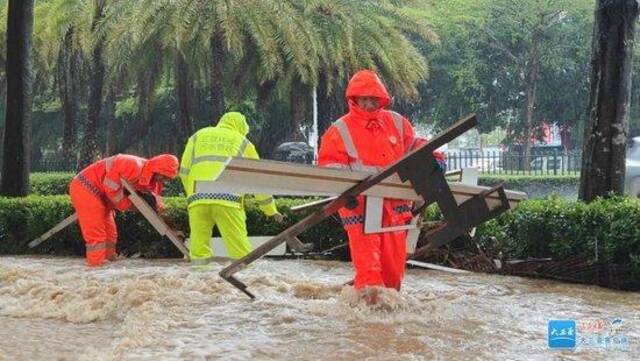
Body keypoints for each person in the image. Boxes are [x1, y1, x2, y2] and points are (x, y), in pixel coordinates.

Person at [318, 70, 445, 304]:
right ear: (353, 100)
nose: (368, 104)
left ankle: (386, 318)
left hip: (395, 210)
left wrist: (434, 158)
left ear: (382, 99)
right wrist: (346, 191)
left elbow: (416, 145)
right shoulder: (340, 129)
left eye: (373, 98)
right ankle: (369, 323)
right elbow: (328, 167)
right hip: (361, 210)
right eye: (363, 99)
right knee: (369, 270)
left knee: (393, 271)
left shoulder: (397, 122)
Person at [179, 111, 284, 265]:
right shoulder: (242, 142)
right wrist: (270, 210)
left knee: (198, 251)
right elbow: (258, 180)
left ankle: (200, 282)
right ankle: (248, 281)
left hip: (197, 199)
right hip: (228, 200)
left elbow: (184, 172)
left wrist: (192, 195)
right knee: (241, 253)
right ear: (241, 127)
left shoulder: (198, 136)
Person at [69, 154, 179, 266]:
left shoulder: (150, 177)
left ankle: (107, 266)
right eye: (164, 176)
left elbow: (155, 200)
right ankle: (95, 268)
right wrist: (129, 205)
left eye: (167, 178)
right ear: (157, 169)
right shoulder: (133, 166)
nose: (163, 180)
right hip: (85, 187)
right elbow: (110, 187)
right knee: (97, 236)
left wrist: (165, 216)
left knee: (111, 235)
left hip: (101, 195)